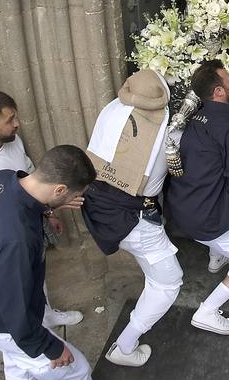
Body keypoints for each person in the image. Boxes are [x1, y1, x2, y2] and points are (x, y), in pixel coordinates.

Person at [0, 145, 95, 380]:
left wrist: (47, 210)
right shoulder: (15, 238)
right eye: (73, 196)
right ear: (60, 189)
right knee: (77, 370)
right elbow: (13, 307)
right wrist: (50, 347)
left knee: (18, 367)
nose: (74, 200)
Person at [80, 68, 183, 368]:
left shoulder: (112, 110)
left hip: (99, 204)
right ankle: (124, 345)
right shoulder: (166, 130)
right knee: (168, 283)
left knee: (155, 274)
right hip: (133, 217)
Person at [0, 89, 81, 331]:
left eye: (15, 116)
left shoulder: (13, 140)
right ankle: (37, 330)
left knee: (38, 275)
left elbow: (29, 173)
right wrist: (52, 204)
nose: (17, 124)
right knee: (24, 282)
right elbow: (1, 213)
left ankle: (46, 315)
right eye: (9, 120)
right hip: (14, 234)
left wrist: (49, 214)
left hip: (33, 220)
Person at [168, 59, 229, 334]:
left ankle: (216, 257)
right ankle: (208, 311)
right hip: (206, 217)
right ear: (219, 92)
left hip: (181, 208)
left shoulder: (193, 116)